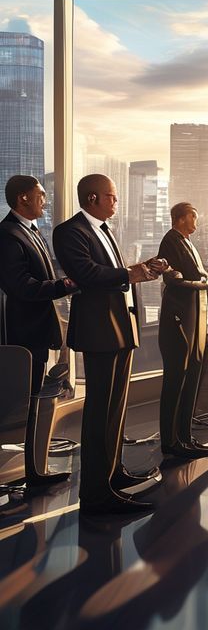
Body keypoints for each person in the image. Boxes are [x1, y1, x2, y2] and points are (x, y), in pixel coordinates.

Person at [53, 174, 168, 516]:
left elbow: (115, 274)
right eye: (112, 197)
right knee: (99, 412)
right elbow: (88, 275)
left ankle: (113, 473)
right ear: (92, 199)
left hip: (119, 328)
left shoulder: (105, 230)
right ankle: (95, 493)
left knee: (116, 409)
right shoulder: (69, 232)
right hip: (98, 332)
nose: (116, 202)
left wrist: (144, 270)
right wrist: (131, 273)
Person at [0, 175, 77, 488]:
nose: (45, 201)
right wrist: (64, 285)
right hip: (24, 335)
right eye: (41, 196)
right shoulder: (7, 234)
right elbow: (20, 287)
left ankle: (35, 470)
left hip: (37, 332)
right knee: (27, 404)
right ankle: (33, 473)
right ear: (22, 198)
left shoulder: (30, 231)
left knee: (36, 404)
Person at [157, 202, 208, 459]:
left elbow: (195, 274)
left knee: (192, 377)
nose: (196, 221)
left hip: (195, 319)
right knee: (176, 381)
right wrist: (203, 284)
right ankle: (171, 441)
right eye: (193, 216)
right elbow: (174, 278)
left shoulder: (188, 242)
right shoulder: (170, 241)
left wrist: (202, 281)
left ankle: (185, 437)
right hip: (179, 320)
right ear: (181, 219)